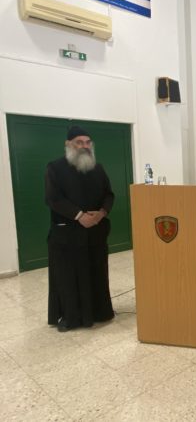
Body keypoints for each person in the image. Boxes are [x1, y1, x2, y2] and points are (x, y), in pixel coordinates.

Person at [45, 126, 115, 332]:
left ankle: (100, 312)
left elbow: (109, 194)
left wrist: (101, 213)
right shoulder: (55, 168)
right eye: (79, 142)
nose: (84, 146)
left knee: (97, 274)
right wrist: (79, 216)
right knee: (69, 278)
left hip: (95, 234)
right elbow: (53, 198)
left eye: (87, 142)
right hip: (68, 235)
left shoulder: (98, 168)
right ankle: (71, 317)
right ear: (68, 144)